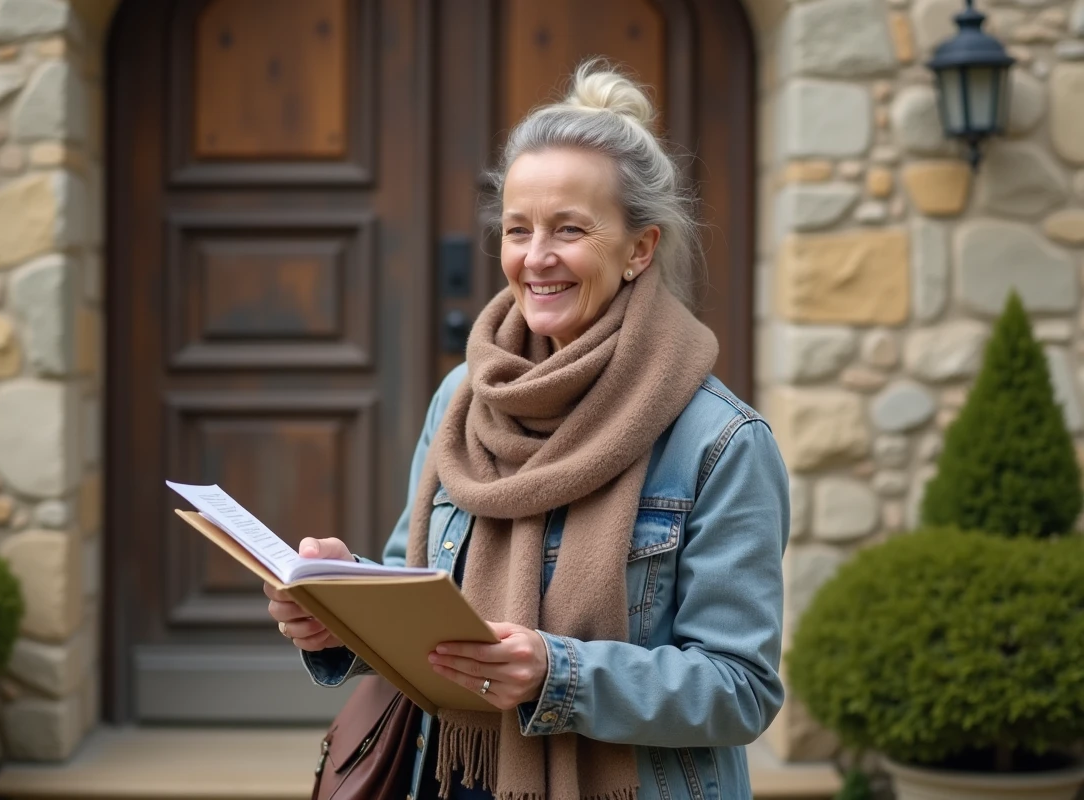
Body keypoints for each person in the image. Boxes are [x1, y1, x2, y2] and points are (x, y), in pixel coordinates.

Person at [265, 59, 789, 800]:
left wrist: (560, 673)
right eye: (518, 229)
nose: (535, 257)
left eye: (569, 229)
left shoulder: (720, 442)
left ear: (640, 249)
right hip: (444, 776)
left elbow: (741, 688)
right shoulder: (464, 396)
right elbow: (415, 593)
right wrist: (338, 609)